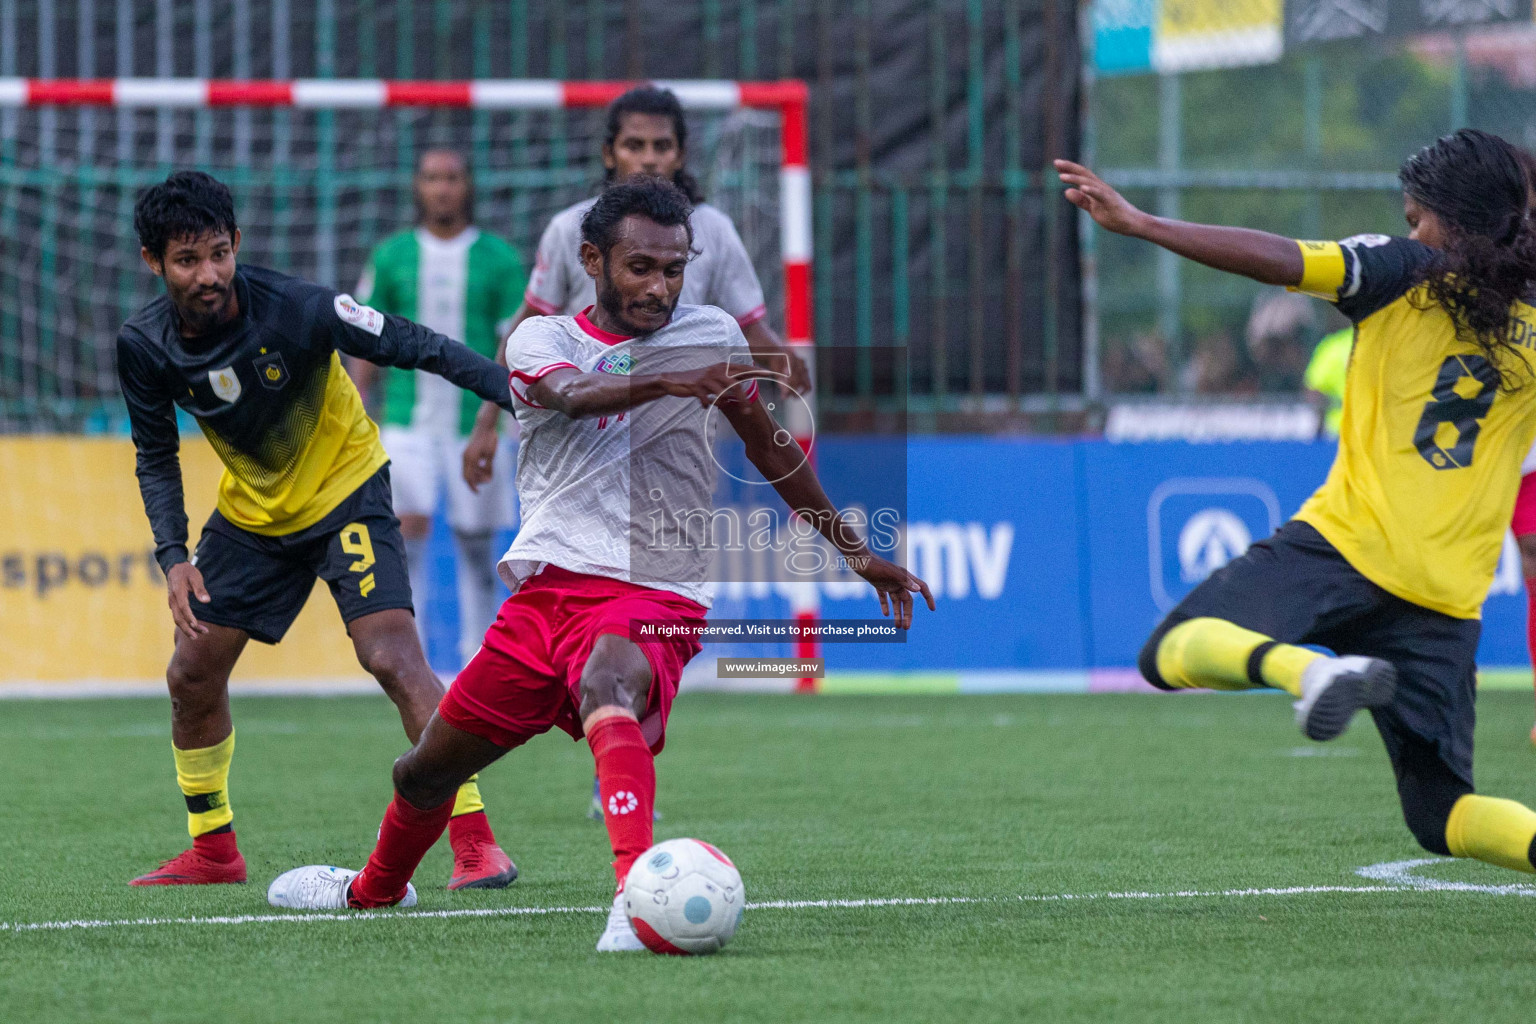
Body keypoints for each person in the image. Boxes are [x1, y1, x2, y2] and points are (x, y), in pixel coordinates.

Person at [268, 178, 934, 949]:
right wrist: (673, 379)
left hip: (655, 587)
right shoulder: (538, 340)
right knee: (422, 773)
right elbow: (576, 396)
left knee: (608, 680)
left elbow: (766, 441)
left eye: (675, 269)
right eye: (641, 268)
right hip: (547, 597)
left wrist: (855, 551)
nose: (660, 287)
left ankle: (633, 898)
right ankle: (371, 891)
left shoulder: (712, 332)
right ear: (592, 259)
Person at [1056, 128, 1536, 878]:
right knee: (1443, 814)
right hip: (1447, 598)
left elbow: (1281, 258)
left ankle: (1305, 674)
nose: (1411, 228)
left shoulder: (1401, 271)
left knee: (1168, 652)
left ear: (1445, 217)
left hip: (1347, 547)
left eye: (1417, 217)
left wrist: (1144, 223)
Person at [118, 171, 517, 890]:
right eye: (186, 261)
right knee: (190, 672)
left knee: (392, 658)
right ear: (153, 262)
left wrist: (514, 393)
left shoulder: (296, 308)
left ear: (236, 243)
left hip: (347, 492)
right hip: (253, 517)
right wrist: (174, 556)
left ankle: (477, 844)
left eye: (217, 253)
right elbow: (155, 454)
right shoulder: (144, 345)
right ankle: (214, 850)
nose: (207, 275)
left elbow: (414, 342)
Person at [461, 83, 812, 818]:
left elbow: (748, 327)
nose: (648, 157)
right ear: (609, 151)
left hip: (676, 439)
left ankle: (614, 743)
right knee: (442, 756)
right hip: (585, 430)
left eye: (661, 146)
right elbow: (534, 337)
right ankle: (607, 722)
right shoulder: (567, 231)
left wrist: (780, 369)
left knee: (627, 637)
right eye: (635, 145)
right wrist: (490, 421)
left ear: (679, 154)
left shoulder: (712, 228)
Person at [349, 150, 525, 668]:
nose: (442, 188)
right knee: (407, 536)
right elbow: (363, 333)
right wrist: (361, 400)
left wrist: (505, 415)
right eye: (431, 178)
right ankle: (415, 662)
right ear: (417, 187)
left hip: (476, 423)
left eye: (451, 178)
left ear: (467, 185)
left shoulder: (499, 258)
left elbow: (514, 339)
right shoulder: (391, 255)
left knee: (476, 543)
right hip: (406, 421)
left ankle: (477, 658)